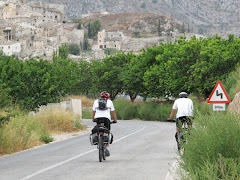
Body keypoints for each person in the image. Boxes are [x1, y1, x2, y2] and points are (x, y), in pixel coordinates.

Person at [92, 91, 117, 156]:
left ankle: (98, 139)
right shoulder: (110, 102)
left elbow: (94, 112)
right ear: (108, 97)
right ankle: (106, 146)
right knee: (107, 131)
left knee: (98, 128)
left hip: (98, 118)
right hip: (106, 118)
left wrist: (93, 119)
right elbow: (113, 112)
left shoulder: (95, 101)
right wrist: (115, 120)